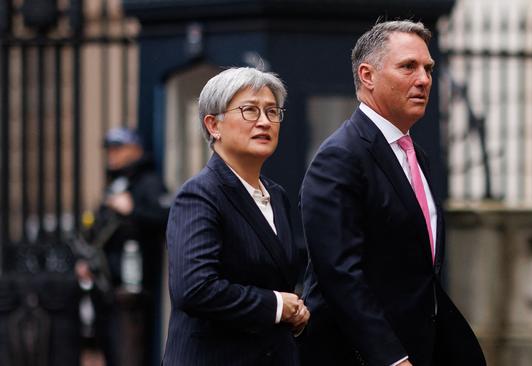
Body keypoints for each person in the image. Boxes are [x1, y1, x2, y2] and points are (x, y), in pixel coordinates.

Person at [298, 20, 486, 366]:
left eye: (428, 68)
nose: (424, 79)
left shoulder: (415, 155)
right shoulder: (340, 157)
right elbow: (339, 274)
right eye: (408, 67)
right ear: (367, 76)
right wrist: (391, 357)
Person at [163, 67, 309, 366]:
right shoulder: (200, 195)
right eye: (250, 111)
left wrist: (297, 307)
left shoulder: (276, 195)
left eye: (272, 111)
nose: (265, 122)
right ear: (213, 125)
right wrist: (278, 305)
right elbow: (194, 288)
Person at [79, 126, 169, 366]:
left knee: (128, 354)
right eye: (110, 148)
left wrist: (133, 210)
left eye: (118, 148)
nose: (112, 154)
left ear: (136, 150)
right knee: (109, 351)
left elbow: (166, 218)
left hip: (132, 290)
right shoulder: (116, 183)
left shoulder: (149, 182)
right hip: (105, 286)